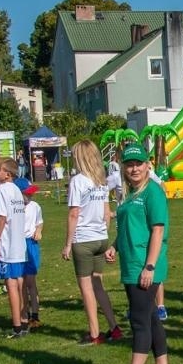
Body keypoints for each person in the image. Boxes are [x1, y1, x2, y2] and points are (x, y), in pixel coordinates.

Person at [102, 146, 174, 364]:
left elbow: (157, 230)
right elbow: (129, 228)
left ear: (148, 166)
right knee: (151, 317)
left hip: (144, 266)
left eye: (138, 163)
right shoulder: (131, 194)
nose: (134, 168)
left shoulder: (152, 192)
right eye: (129, 164)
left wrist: (150, 266)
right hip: (131, 263)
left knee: (139, 321)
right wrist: (115, 246)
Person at [63, 140, 121, 345]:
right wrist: (104, 234)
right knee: (98, 285)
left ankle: (94, 333)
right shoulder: (101, 180)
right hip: (100, 237)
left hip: (84, 239)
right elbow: (106, 213)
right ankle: (114, 326)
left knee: (86, 287)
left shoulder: (78, 181)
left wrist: (68, 243)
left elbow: (73, 214)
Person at [0, 159, 29, 339]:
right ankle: (23, 319)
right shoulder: (16, 191)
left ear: (7, 174)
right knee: (19, 282)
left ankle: (16, 326)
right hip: (19, 244)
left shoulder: (2, 189)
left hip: (7, 244)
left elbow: (2, 217)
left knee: (11, 284)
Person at [21, 180, 42, 328]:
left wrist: (39, 230)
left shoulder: (35, 207)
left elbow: (39, 222)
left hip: (30, 244)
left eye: (31, 193)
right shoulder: (15, 207)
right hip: (17, 245)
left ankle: (35, 314)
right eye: (27, 193)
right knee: (20, 283)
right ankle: (24, 313)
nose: (31, 195)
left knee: (30, 282)